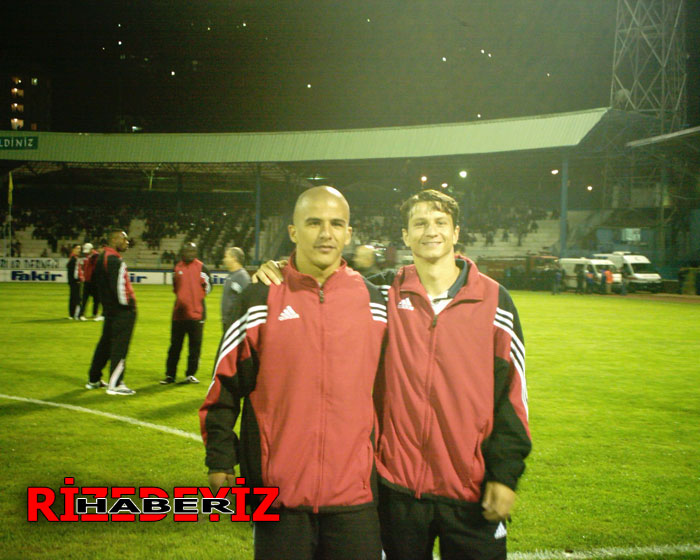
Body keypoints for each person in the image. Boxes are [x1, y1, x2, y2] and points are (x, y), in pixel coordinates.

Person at [254, 190, 531, 560]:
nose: (430, 231)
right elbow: (327, 280)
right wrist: (280, 269)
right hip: (396, 490)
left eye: (440, 223)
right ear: (405, 235)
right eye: (420, 223)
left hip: (470, 488)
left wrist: (504, 474)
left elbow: (512, 394)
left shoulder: (496, 302)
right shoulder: (382, 293)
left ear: (455, 232)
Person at [200, 186, 387, 560]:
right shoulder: (260, 297)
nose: (326, 233)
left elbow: (391, 392)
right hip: (277, 494)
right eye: (314, 222)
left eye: (336, 224)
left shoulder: (374, 301)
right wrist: (220, 457)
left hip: (355, 495)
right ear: (293, 231)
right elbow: (225, 384)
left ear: (349, 233)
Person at [86, 230, 137, 395]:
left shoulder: (102, 257)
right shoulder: (115, 260)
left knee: (105, 345)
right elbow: (119, 289)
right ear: (115, 240)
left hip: (109, 310)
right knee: (119, 347)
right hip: (121, 312)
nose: (127, 242)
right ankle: (116, 384)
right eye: (124, 239)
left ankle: (94, 379)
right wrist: (129, 305)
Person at [161, 242, 212, 385]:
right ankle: (170, 375)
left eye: (192, 251)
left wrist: (196, 298)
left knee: (194, 347)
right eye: (187, 251)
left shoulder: (202, 268)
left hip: (197, 314)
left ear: (196, 253)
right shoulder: (177, 267)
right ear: (182, 252)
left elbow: (208, 287)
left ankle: (190, 374)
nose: (190, 254)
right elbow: (176, 287)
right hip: (179, 314)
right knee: (174, 346)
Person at [220, 246, 251, 332]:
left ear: (234, 258)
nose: (224, 259)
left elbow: (247, 300)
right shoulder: (231, 275)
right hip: (228, 320)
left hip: (235, 322)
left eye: (226, 256)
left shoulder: (242, 277)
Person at [79, 242, 103, 321]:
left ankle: (93, 314)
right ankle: (83, 314)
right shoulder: (89, 256)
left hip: (94, 281)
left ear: (92, 249)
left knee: (95, 299)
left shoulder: (96, 256)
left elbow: (96, 269)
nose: (86, 253)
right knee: (86, 299)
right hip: (88, 280)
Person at [66, 244, 82, 320]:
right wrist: (78, 280)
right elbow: (75, 272)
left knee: (72, 298)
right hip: (75, 281)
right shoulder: (74, 259)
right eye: (77, 248)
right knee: (77, 298)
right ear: (73, 249)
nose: (79, 250)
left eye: (80, 248)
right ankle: (77, 315)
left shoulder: (71, 258)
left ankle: (71, 314)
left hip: (71, 281)